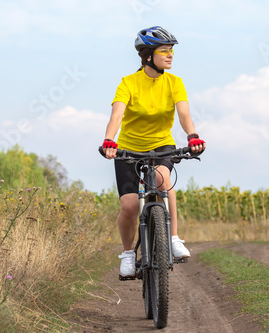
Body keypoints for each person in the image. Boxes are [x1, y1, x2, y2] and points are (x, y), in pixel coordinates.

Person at [102, 26, 206, 278]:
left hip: (161, 146)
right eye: (164, 51)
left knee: (162, 179)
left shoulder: (174, 82)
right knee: (128, 205)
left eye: (171, 51)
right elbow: (117, 115)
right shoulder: (128, 83)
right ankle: (128, 254)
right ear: (148, 55)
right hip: (128, 149)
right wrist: (108, 140)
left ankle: (173, 239)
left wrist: (193, 136)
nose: (170, 55)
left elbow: (184, 114)